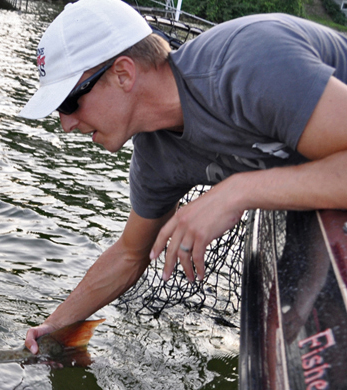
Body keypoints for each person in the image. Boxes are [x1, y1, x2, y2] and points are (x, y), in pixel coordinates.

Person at [18, 0, 347, 354]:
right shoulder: (154, 157)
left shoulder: (247, 66)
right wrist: (54, 327)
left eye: (69, 103)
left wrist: (237, 192)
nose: (66, 125)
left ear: (123, 74)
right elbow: (129, 254)